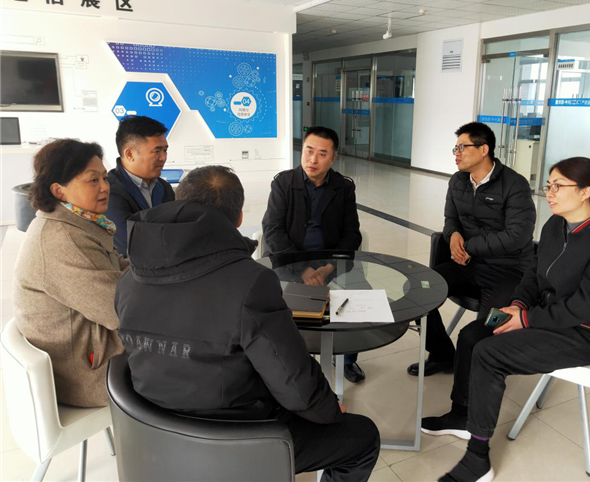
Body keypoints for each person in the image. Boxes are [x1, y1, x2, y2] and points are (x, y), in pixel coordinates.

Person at [115, 165, 380, 482]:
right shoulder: (251, 282)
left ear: (176, 204)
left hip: (154, 433)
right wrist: (329, 410)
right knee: (362, 438)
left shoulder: (128, 279)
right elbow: (293, 382)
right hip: (234, 437)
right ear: (239, 218)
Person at [422, 157, 590, 482]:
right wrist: (518, 305)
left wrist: (526, 319)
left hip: (586, 334)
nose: (549, 192)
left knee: (489, 354)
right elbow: (534, 274)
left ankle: (477, 459)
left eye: (558, 186)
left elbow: (584, 309)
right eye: (548, 185)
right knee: (472, 335)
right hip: (545, 314)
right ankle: (462, 415)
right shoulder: (556, 225)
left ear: (585, 192)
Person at [408, 122, 536, 377]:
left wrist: (468, 246)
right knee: (418, 290)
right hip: (468, 264)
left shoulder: (515, 185)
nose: (456, 153)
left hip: (508, 270)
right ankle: (443, 355)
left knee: (483, 329)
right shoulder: (458, 181)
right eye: (455, 148)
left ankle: (478, 373)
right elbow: (451, 218)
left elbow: (517, 236)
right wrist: (453, 235)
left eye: (462, 147)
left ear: (484, 149)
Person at [13, 139, 129, 407]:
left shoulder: (75, 221)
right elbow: (120, 312)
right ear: (59, 190)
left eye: (104, 178)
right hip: (87, 374)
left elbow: (116, 265)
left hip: (88, 347)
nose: (105, 187)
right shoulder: (64, 239)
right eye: (93, 180)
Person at [262, 126, 366, 383]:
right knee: (276, 307)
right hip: (289, 261)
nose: (313, 160)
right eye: (309, 151)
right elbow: (272, 231)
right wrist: (303, 269)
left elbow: (352, 235)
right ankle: (291, 359)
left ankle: (347, 357)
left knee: (359, 300)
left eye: (322, 154)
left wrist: (328, 267)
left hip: (332, 263)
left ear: (333, 158)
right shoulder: (284, 183)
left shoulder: (343, 187)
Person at [106, 115, 174, 257]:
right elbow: (130, 244)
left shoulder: (164, 188)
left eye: (165, 150)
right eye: (157, 151)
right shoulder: (109, 192)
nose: (163, 158)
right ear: (129, 154)